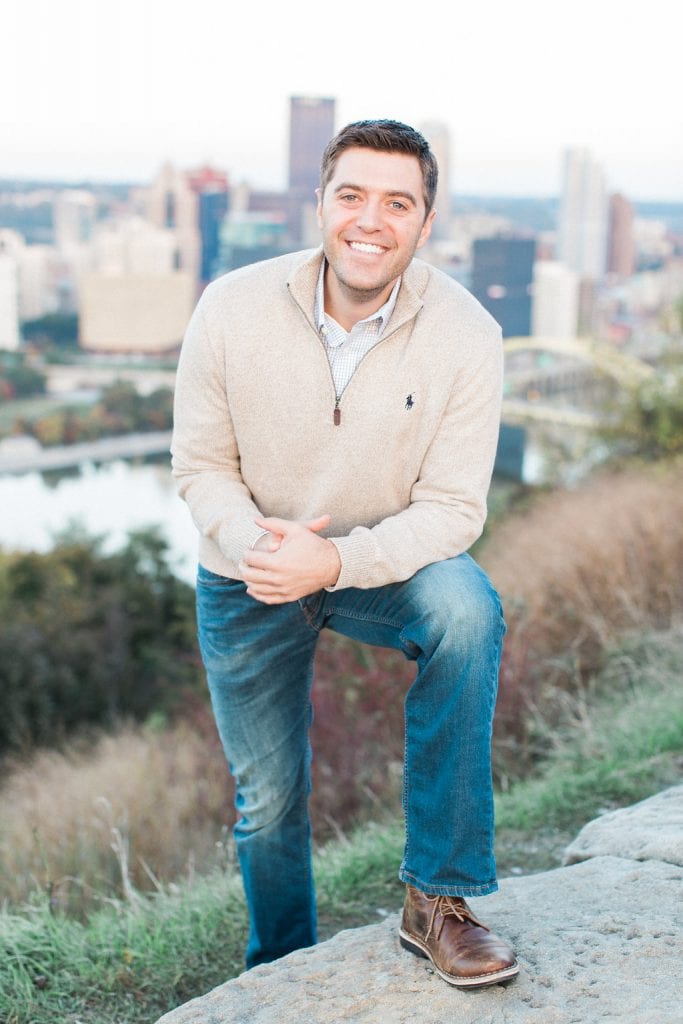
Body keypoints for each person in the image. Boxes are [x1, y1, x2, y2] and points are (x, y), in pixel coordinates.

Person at [171, 119, 519, 989]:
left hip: (382, 568)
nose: (371, 221)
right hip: (246, 568)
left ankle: (437, 900)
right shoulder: (230, 305)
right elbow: (200, 466)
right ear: (320, 204)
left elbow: (452, 509)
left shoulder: (466, 333)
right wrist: (266, 548)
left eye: (396, 203)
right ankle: (283, 969)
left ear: (425, 222)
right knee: (270, 801)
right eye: (352, 196)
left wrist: (332, 563)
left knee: (466, 611)